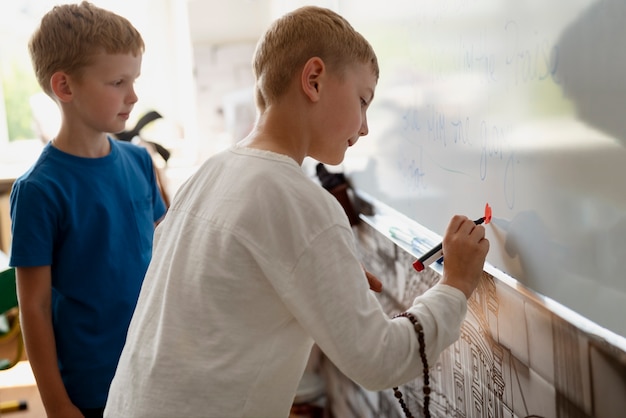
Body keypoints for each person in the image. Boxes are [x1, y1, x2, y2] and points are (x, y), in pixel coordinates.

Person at [104, 6, 489, 418]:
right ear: (314, 80)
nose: (364, 127)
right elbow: (380, 361)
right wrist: (456, 284)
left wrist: (310, 269)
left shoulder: (212, 172)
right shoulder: (295, 199)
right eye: (362, 101)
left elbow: (228, 285)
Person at [9, 3, 166, 417]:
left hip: (155, 369)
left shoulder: (140, 163)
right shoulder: (39, 190)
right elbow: (35, 308)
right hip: (91, 387)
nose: (133, 96)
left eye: (134, 80)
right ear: (65, 86)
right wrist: (57, 403)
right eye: (117, 82)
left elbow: (167, 256)